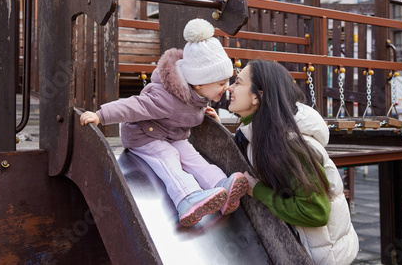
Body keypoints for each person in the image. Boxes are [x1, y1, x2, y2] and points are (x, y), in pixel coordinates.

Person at [80, 18, 247, 227]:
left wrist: (205, 112)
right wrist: (100, 115)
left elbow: (192, 105)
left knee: (192, 157)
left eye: (228, 81)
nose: (226, 87)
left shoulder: (198, 95)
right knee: (168, 157)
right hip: (144, 136)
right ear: (198, 81)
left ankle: (220, 185)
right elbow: (132, 106)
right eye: (221, 83)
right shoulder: (164, 98)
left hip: (172, 134)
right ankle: (186, 198)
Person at [226, 59, 359, 264]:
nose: (230, 87)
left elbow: (316, 212)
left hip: (320, 258)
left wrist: (257, 190)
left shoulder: (288, 145)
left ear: (257, 96)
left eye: (238, 82)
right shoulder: (259, 134)